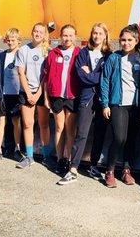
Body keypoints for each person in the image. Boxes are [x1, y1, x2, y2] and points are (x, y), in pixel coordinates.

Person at [58, 23, 112, 185]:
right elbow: (81, 76)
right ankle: (73, 168)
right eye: (94, 33)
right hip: (86, 98)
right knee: (81, 133)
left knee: (100, 133)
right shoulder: (83, 53)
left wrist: (94, 74)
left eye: (100, 33)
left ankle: (94, 166)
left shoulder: (109, 56)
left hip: (103, 99)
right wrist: (98, 76)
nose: (96, 36)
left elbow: (107, 77)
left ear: (105, 36)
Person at [100, 24, 140, 188]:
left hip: (135, 105)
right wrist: (105, 104)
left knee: (131, 139)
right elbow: (104, 81)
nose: (126, 43)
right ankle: (110, 170)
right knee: (119, 138)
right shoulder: (114, 58)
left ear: (136, 40)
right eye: (123, 40)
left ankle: (126, 169)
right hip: (118, 103)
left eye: (130, 40)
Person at [44, 24, 81, 176]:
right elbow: (46, 78)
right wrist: (46, 98)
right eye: (65, 35)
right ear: (60, 36)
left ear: (75, 37)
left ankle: (68, 158)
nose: (67, 38)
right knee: (59, 127)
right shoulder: (53, 53)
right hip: (57, 96)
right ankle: (60, 159)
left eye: (71, 35)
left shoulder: (80, 53)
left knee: (70, 129)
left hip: (72, 95)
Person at [15, 23, 51, 169]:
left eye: (40, 32)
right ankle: (29, 157)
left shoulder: (48, 51)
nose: (37, 34)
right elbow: (21, 73)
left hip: (42, 92)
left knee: (43, 124)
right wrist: (29, 93)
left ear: (44, 35)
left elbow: (47, 76)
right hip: (26, 92)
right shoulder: (23, 50)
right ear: (32, 32)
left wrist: (38, 94)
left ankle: (47, 156)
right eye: (35, 31)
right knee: (28, 124)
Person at [0, 28, 23, 165]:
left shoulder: (21, 55)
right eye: (8, 40)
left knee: (16, 122)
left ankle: (17, 148)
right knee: (1, 121)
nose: (10, 42)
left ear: (19, 41)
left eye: (13, 40)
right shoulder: (1, 56)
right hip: (3, 95)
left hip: (17, 95)